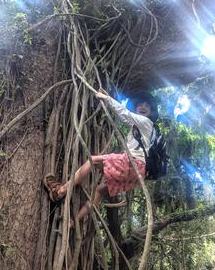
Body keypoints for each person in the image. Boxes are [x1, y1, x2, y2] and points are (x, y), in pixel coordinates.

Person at [44, 89, 158, 225]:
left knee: (93, 160)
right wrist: (108, 97)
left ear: (151, 112)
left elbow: (124, 114)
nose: (143, 107)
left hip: (134, 163)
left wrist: (106, 98)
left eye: (147, 106)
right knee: (99, 190)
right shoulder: (142, 126)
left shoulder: (145, 122)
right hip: (138, 175)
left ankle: (61, 190)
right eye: (140, 104)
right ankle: (73, 222)